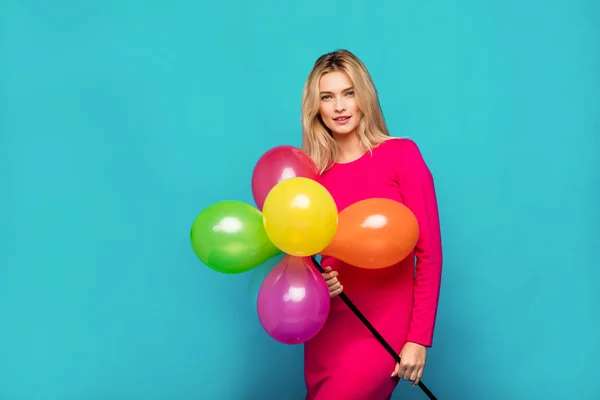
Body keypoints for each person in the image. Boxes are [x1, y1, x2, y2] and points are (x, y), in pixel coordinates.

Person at [300, 49, 443, 400]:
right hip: (330, 327)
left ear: (364, 96)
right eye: (327, 97)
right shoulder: (312, 176)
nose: (339, 107)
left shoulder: (402, 156)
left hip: (382, 326)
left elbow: (430, 254)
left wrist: (418, 338)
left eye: (349, 93)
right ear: (315, 108)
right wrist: (317, 281)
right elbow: (301, 255)